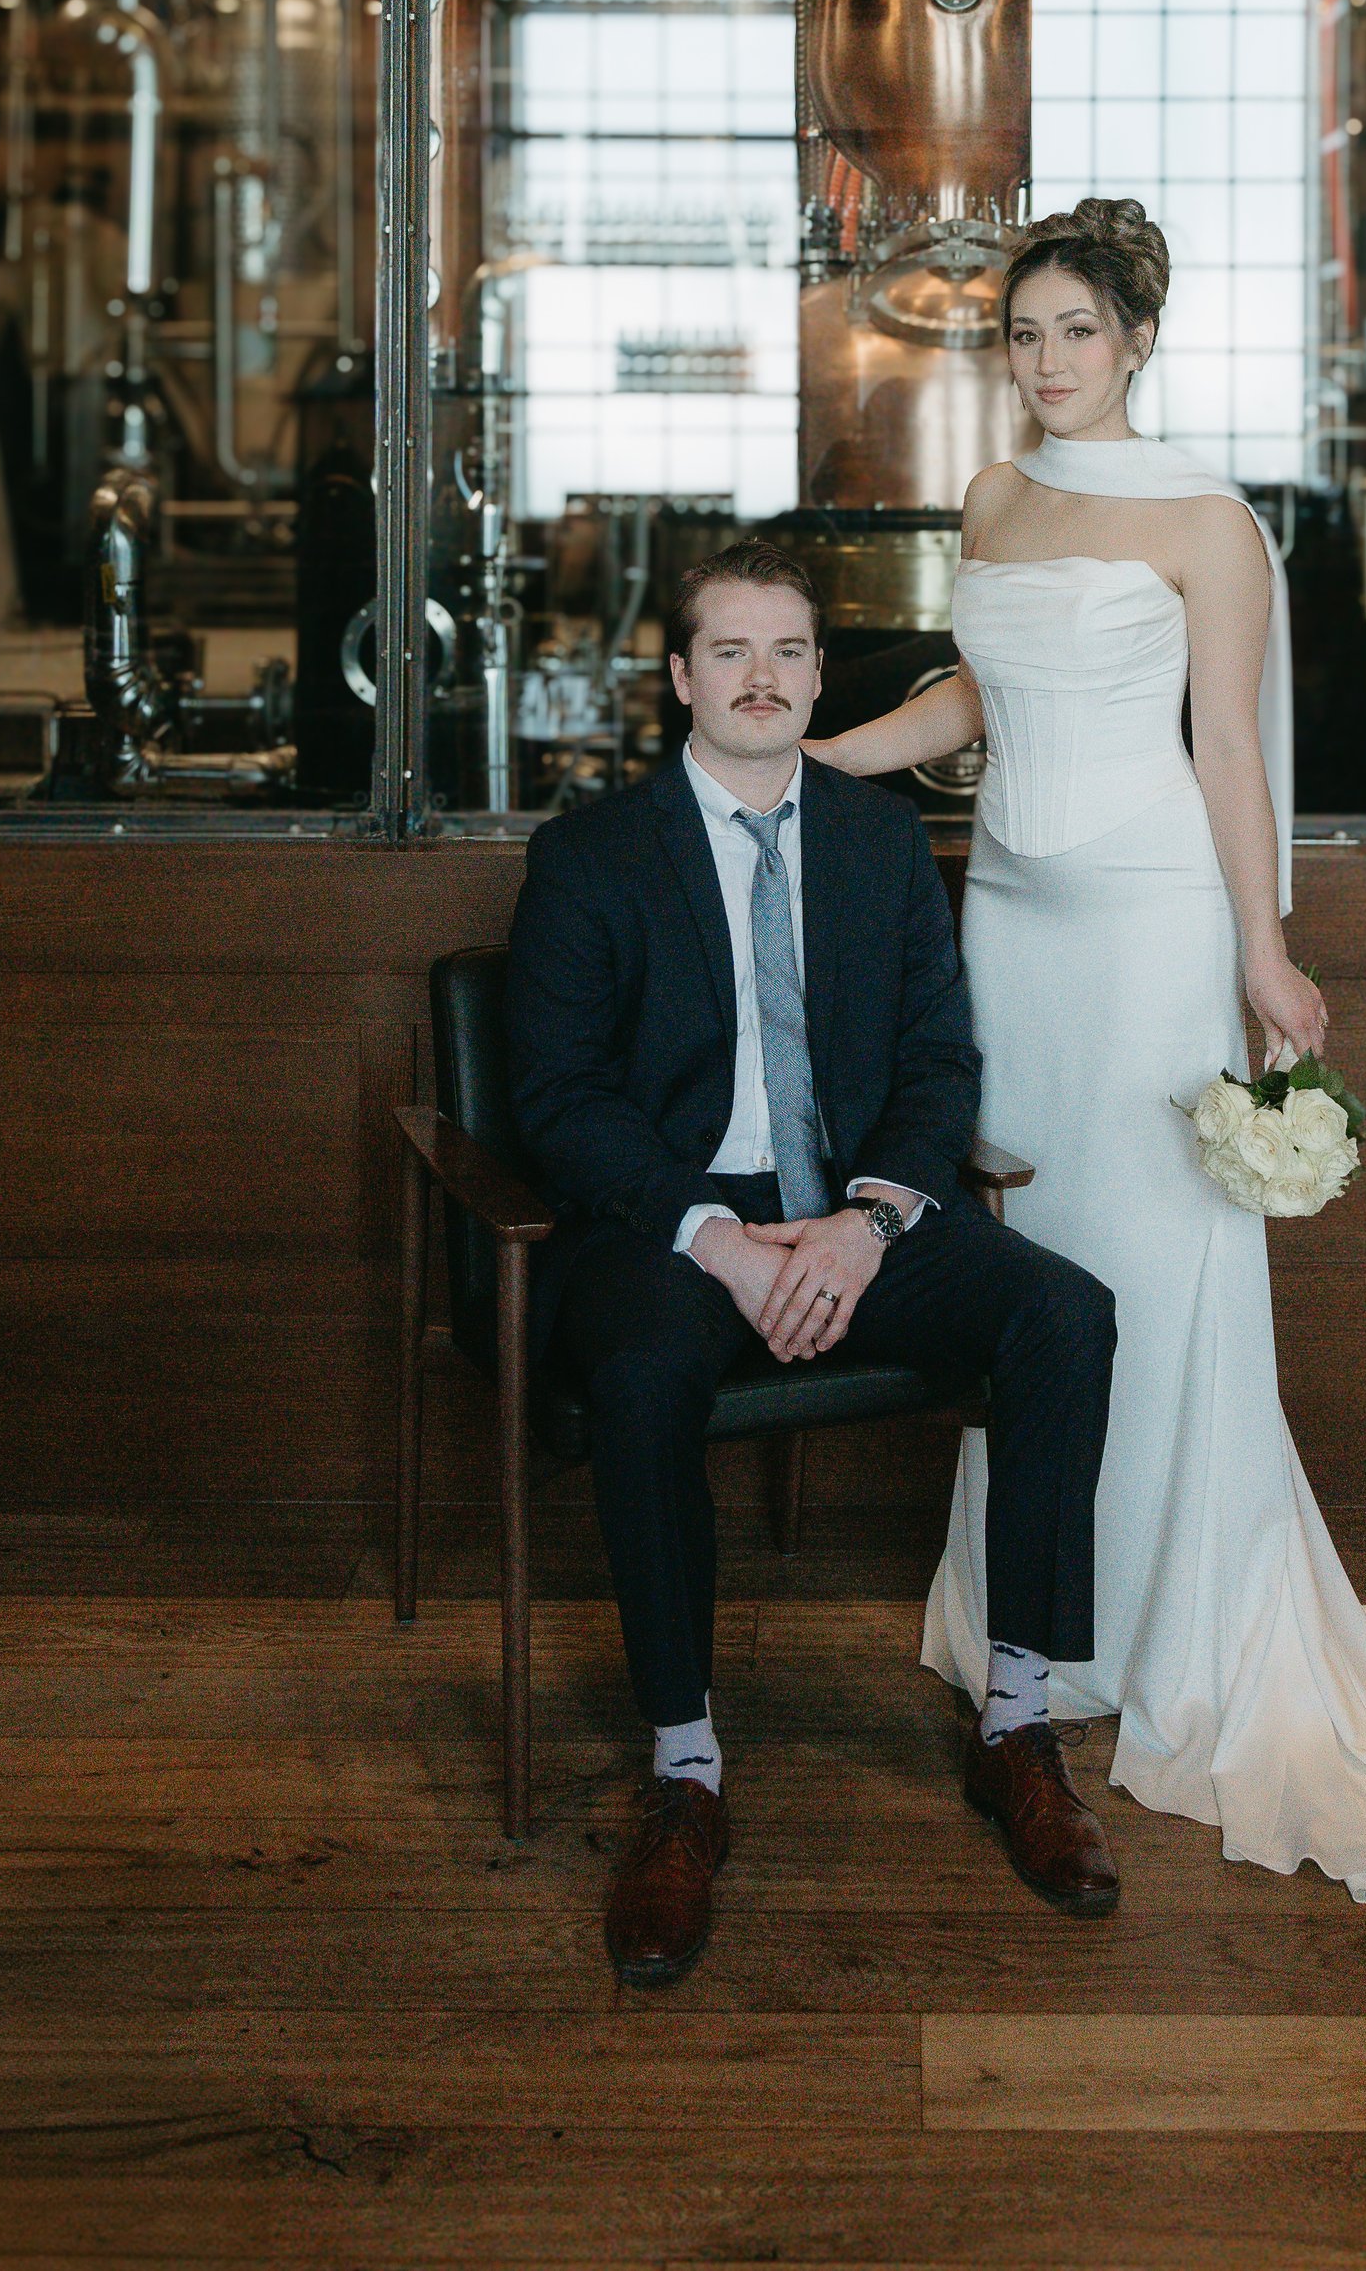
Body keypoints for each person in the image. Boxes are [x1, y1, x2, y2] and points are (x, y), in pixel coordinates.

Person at [809, 200, 1366, 1902]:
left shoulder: (1210, 521)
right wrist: (812, 759)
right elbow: (977, 699)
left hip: (1148, 930)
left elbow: (1228, 754)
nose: (1048, 360)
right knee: (1025, 1254)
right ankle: (1034, 1628)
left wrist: (1262, 949)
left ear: (1138, 338)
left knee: (1151, 1263)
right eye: (1025, 334)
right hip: (1011, 926)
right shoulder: (993, 497)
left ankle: (1170, 1627)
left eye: (1077, 329)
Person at [502, 542, 1123, 1986]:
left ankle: (1017, 1725)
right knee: (643, 1371)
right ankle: (686, 1770)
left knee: (1065, 1313)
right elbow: (559, 1099)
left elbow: (938, 1059)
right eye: (729, 650)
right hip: (672, 1222)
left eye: (788, 651)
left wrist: (867, 1222)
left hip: (851, 1209)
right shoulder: (592, 852)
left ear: (820, 675)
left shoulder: (878, 842)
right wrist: (715, 1237)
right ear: (679, 677)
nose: (762, 676)